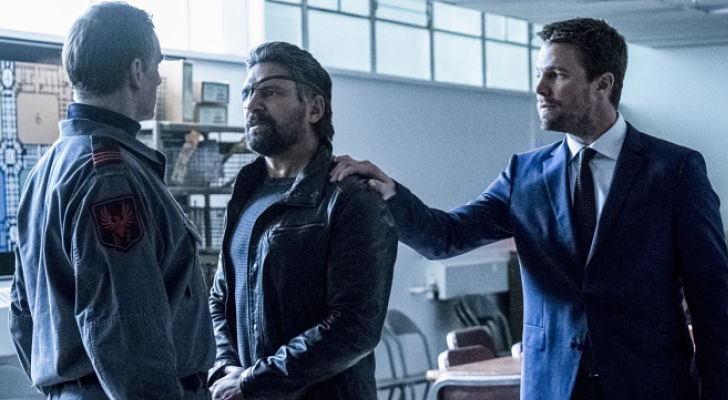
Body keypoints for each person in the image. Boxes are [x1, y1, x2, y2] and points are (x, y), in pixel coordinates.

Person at [330, 18, 728, 400]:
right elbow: (443, 237)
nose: (540, 87)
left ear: (602, 84)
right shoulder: (525, 175)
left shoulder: (674, 171)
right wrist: (390, 195)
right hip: (552, 387)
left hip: (649, 386)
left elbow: (713, 300)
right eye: (539, 73)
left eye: (558, 74)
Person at [9, 2, 215, 399]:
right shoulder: (110, 178)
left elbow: (23, 314)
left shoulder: (46, 169)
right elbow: (126, 328)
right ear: (136, 71)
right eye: (157, 65)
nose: (159, 78)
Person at [206, 41, 398, 400]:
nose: (252, 104)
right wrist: (227, 367)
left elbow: (354, 327)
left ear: (314, 109)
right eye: (247, 92)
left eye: (270, 91)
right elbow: (219, 298)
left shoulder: (351, 200)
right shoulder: (245, 193)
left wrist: (253, 381)